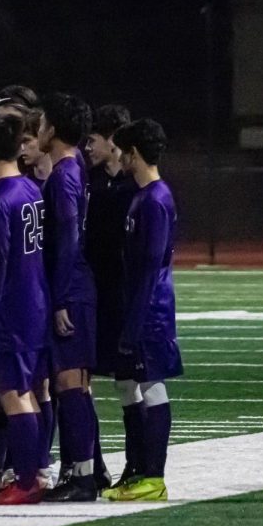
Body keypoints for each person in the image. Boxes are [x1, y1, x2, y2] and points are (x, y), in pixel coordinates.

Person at [102, 118, 182, 502]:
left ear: (133, 153)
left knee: (151, 387)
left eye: (121, 152)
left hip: (150, 311)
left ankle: (154, 476)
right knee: (131, 387)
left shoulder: (154, 199)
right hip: (138, 306)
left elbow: (151, 267)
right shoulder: (142, 196)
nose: (119, 159)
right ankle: (137, 472)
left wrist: (134, 324)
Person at [0, 115, 51, 505]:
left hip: (12, 308)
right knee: (31, 392)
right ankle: (33, 472)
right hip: (36, 299)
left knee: (13, 394)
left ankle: (25, 482)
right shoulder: (31, 190)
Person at [36, 93, 99, 501]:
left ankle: (81, 477)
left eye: (41, 123)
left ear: (54, 130)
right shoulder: (75, 169)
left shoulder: (64, 175)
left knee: (70, 386)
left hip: (72, 291)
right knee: (73, 387)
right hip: (76, 287)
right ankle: (83, 472)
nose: (37, 131)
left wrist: (59, 298)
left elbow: (68, 240)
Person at [84, 104, 139, 487]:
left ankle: (137, 467)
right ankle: (95, 466)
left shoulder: (138, 186)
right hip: (93, 296)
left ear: (113, 141)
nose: (88, 146)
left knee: (129, 385)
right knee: (79, 382)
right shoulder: (88, 180)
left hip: (122, 297)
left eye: (94, 139)